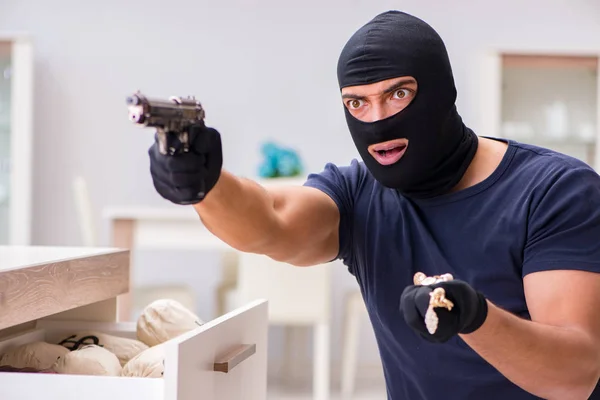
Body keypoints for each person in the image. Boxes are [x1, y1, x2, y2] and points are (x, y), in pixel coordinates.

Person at [147, 10, 600, 400]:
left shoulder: (556, 190)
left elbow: (574, 377)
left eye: (398, 94)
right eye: (357, 103)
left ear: (442, 92)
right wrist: (205, 184)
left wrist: (475, 317)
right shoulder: (359, 194)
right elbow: (270, 221)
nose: (378, 120)